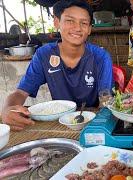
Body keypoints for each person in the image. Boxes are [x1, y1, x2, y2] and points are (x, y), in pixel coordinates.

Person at [1, 0, 114, 131]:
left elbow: (105, 99)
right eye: (70, 21)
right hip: (57, 123)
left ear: (89, 29)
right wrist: (7, 109)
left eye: (84, 23)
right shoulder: (44, 55)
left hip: (91, 120)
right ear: (56, 22)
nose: (77, 28)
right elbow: (20, 92)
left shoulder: (101, 57)